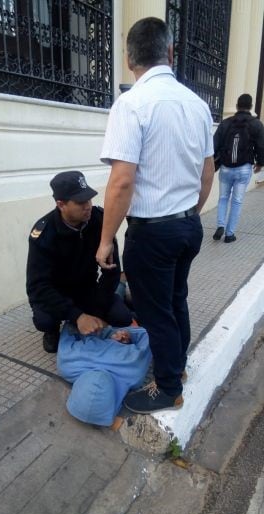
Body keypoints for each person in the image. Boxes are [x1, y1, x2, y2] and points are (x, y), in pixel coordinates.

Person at [96, 17, 215, 414]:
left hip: (153, 233)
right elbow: (206, 173)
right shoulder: (198, 106)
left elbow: (121, 183)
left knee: (155, 311)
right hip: (188, 225)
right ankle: (177, 369)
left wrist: (104, 239)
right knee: (175, 299)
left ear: (130, 60)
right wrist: (188, 215)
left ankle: (166, 388)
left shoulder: (131, 105)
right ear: (170, 53)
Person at [26, 170, 132, 353]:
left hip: (86, 289)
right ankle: (52, 331)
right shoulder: (44, 234)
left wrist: (96, 312)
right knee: (44, 320)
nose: (88, 206)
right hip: (56, 293)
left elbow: (111, 271)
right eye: (81, 202)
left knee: (121, 317)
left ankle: (122, 291)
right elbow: (37, 287)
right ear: (61, 204)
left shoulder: (100, 221)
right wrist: (78, 316)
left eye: (89, 199)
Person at [57, 323, 152, 426]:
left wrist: (121, 333)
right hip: (113, 320)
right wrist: (125, 333)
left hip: (99, 320)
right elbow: (69, 327)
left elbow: (147, 335)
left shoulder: (134, 372)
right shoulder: (68, 365)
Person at [213, 94, 264, 243]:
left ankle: (220, 225)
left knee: (223, 198)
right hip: (244, 167)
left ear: (237, 106)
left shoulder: (225, 123)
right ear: (250, 107)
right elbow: (261, 146)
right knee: (237, 201)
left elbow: (214, 145)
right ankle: (229, 234)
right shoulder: (256, 124)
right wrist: (260, 163)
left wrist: (214, 163)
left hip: (226, 167)